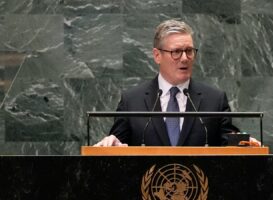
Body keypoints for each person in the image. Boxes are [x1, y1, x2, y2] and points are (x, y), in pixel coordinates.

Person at [94, 19, 260, 147]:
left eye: (189, 51)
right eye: (176, 52)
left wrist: (242, 144)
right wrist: (113, 142)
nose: (184, 58)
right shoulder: (132, 101)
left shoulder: (214, 100)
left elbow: (228, 144)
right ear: (157, 55)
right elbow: (117, 146)